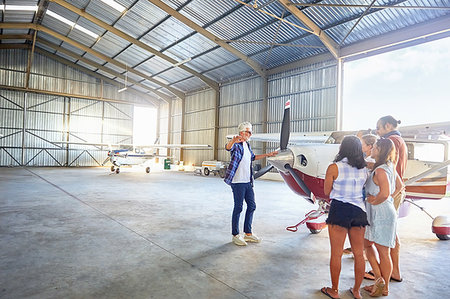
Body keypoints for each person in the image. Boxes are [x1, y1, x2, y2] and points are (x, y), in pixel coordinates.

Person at [321, 135, 369, 299]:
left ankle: (334, 290)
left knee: (336, 253)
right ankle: (356, 291)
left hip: (340, 210)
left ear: (343, 148)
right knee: (359, 254)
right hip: (359, 211)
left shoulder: (334, 167)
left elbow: (327, 192)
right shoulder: (365, 168)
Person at [365, 116, 407, 282]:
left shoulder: (391, 140)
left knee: (386, 241)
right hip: (389, 192)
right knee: (389, 237)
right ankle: (389, 273)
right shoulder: (397, 141)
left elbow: (384, 188)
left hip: (383, 196)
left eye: (378, 128)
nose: (377, 132)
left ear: (388, 126)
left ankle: (386, 275)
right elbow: (398, 181)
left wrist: (379, 199)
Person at [224, 121, 278, 246]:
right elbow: (228, 147)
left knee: (252, 206)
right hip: (237, 182)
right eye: (248, 131)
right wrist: (233, 141)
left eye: (250, 132)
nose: (250, 134)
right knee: (238, 208)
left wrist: (268, 155)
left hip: (248, 181)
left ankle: (248, 233)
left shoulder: (247, 145)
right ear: (242, 132)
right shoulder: (236, 144)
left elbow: (253, 157)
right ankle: (235, 235)